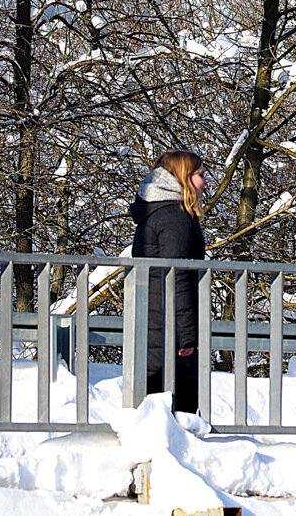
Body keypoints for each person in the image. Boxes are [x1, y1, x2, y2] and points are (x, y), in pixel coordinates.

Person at [130, 150, 208, 413]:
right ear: (183, 177)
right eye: (200, 175)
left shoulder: (158, 213)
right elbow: (178, 279)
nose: (205, 182)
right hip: (169, 325)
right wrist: (187, 336)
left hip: (156, 319)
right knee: (178, 406)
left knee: (156, 399)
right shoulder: (175, 218)